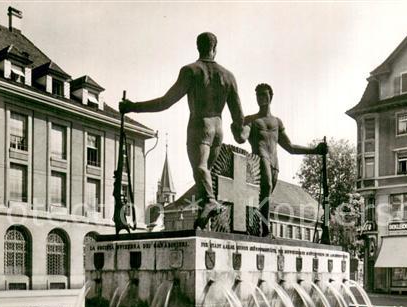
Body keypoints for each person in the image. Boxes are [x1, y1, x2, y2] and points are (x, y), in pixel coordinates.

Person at [120, 32, 245, 229]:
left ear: (198, 47)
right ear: (215, 48)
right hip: (218, 129)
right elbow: (239, 120)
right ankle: (205, 217)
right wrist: (242, 134)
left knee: (200, 168)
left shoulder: (191, 70)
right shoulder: (228, 76)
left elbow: (165, 102)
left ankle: (210, 201)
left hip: (200, 125)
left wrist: (132, 106)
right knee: (204, 175)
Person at [237, 83, 327, 237]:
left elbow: (290, 147)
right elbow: (242, 137)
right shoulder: (251, 119)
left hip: (274, 164)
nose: (261, 98)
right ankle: (265, 231)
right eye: (258, 95)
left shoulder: (277, 122)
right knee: (267, 186)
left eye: (264, 95)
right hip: (259, 160)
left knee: (264, 198)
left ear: (270, 97)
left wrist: (315, 150)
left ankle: (254, 228)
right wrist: (238, 129)